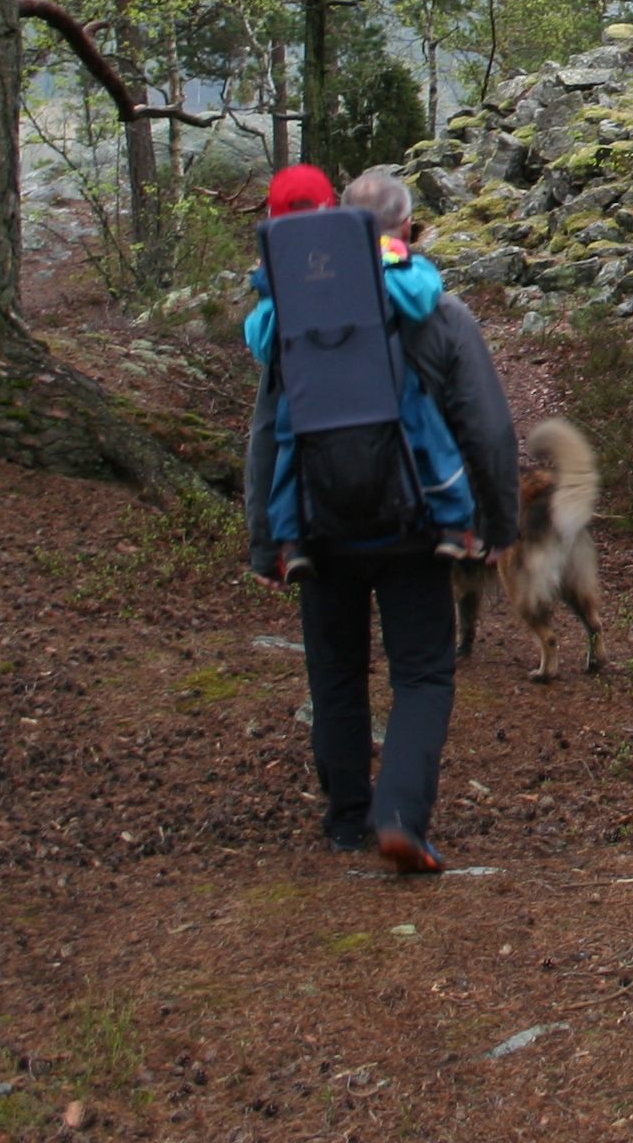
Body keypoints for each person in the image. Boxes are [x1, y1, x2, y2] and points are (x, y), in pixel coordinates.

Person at [244, 166, 519, 872]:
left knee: (334, 672)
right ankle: (399, 815)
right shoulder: (437, 310)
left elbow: (270, 428)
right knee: (423, 673)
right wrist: (498, 523)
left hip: (319, 526)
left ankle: (344, 820)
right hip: (412, 525)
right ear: (406, 228)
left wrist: (264, 537)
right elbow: (486, 427)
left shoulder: (293, 318)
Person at [244, 176, 477, 583]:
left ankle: (291, 541)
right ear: (334, 210)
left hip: (319, 469)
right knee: (424, 430)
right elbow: (422, 296)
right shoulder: (384, 264)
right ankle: (454, 522)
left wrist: (265, 548)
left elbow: (262, 344)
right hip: (395, 466)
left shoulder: (281, 281)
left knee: (287, 445)